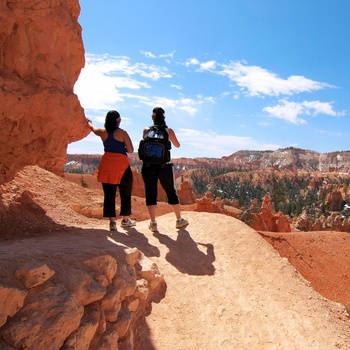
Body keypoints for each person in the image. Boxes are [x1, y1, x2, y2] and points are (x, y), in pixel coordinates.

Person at [141, 107, 189, 232]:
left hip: (148, 166)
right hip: (164, 166)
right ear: (164, 117)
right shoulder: (168, 131)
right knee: (171, 191)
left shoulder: (146, 130)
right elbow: (177, 145)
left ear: (152, 118)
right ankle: (179, 220)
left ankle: (153, 223)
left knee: (150, 193)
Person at [87, 110, 136, 230]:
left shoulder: (102, 132)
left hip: (107, 165)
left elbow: (93, 129)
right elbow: (130, 150)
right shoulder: (122, 132)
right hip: (121, 166)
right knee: (125, 192)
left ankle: (112, 222)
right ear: (118, 121)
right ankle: (125, 220)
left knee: (109, 194)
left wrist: (89, 123)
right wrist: (122, 146)